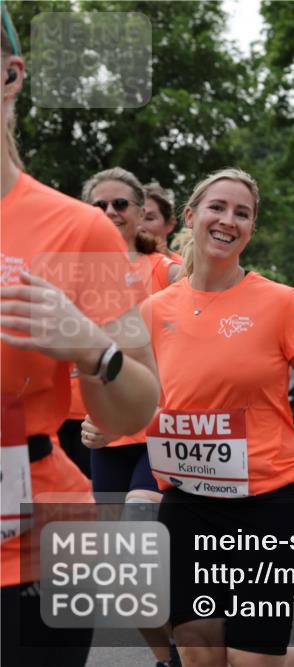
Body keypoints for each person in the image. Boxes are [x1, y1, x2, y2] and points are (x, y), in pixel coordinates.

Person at [89, 168, 294, 667]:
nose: (228, 220)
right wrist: (111, 422)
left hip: (268, 505)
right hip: (187, 503)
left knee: (249, 661)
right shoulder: (155, 310)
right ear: (191, 216)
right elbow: (148, 399)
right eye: (217, 208)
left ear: (251, 227)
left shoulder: (276, 301)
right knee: (201, 657)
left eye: (241, 213)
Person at [1, 10, 160, 665]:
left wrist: (94, 349)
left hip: (39, 529)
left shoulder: (77, 229)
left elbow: (138, 404)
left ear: (10, 76)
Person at [79, 166, 180, 667]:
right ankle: (168, 658)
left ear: (142, 212)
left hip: (162, 431)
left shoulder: (164, 269)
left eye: (120, 204)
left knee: (140, 527)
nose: (109, 213)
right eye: (99, 205)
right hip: (104, 437)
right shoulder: (72, 274)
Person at [142, 182, 183, 262]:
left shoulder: (182, 270)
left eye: (149, 218)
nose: (139, 226)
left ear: (170, 224)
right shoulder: (117, 265)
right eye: (135, 218)